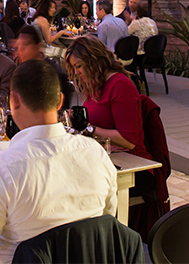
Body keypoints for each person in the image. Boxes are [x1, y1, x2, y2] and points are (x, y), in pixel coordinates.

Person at [0, 59, 119, 264]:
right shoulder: (97, 154)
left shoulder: (2, 167)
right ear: (60, 101)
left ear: (13, 101)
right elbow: (107, 222)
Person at [64, 36, 155, 190]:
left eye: (78, 66)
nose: (76, 72)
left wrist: (88, 130)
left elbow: (128, 140)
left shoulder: (120, 85)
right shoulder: (95, 85)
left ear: (93, 62)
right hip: (106, 160)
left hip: (132, 166)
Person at [16, 25, 73, 109]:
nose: (19, 51)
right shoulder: (20, 71)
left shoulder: (56, 75)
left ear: (39, 46)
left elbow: (62, 112)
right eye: (17, 47)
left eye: (25, 45)